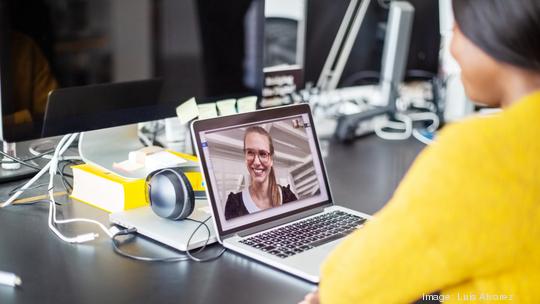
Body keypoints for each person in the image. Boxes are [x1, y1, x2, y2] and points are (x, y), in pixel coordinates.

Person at [300, 0, 540, 303]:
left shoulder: (482, 154)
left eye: (457, 29)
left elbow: (351, 287)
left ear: (494, 32)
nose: (452, 48)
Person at [224, 126, 297, 220]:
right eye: (250, 152)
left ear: (271, 160)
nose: (256, 162)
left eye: (263, 154)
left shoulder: (288, 197)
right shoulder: (234, 204)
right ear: (245, 156)